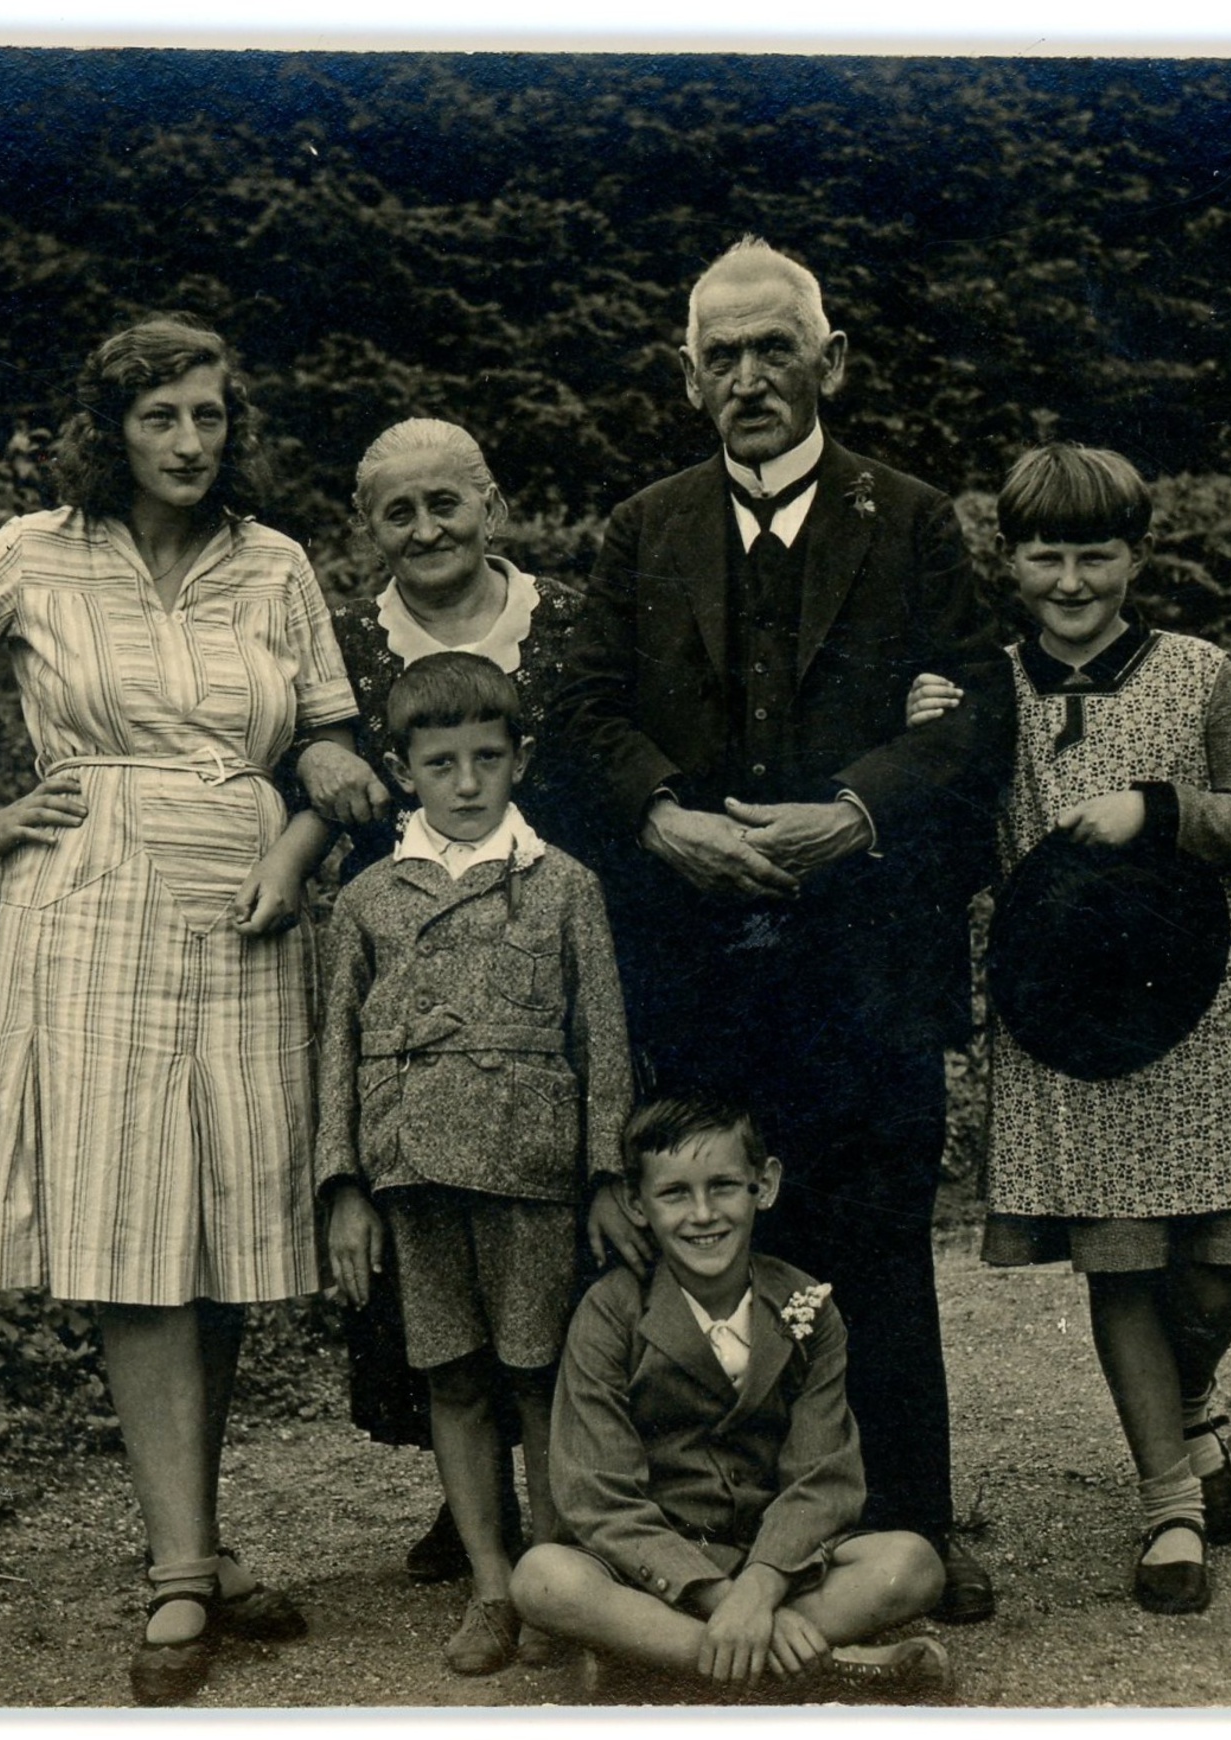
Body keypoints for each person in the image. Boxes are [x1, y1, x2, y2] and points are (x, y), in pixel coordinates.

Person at [0, 313, 354, 1704]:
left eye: (210, 415)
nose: (190, 442)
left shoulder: (277, 564)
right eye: (160, 417)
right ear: (111, 429)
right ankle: (180, 1569)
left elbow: (329, 739)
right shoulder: (33, 552)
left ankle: (199, 1544)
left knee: (226, 1227)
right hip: (92, 905)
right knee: (132, 1226)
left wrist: (300, 854)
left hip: (248, 909)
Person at [553, 236, 1003, 1624]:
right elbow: (581, 718)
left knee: (876, 1248)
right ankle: (726, 1536)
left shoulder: (911, 522)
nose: (748, 378)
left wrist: (857, 814)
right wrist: (663, 822)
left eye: (774, 350)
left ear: (830, 364)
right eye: (722, 357)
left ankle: (911, 1523)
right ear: (689, 379)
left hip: (864, 971)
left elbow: (978, 718)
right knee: (715, 1249)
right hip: (697, 973)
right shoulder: (644, 530)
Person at [903, 442, 1231, 1615]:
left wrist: (1160, 809)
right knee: (1123, 1261)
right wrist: (928, 737)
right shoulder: (987, 689)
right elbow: (944, 851)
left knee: (1211, 1277)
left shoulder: (1198, 674)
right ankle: (1168, 1503)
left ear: (1136, 557)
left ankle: (1193, 1404)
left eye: (1096, 555)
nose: (1072, 582)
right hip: (1066, 1026)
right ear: (1011, 561)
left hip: (1205, 1013)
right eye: (1046, 556)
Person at [295, 418, 602, 1586]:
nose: (427, 530)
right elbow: (296, 740)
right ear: (368, 528)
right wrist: (313, 764)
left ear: (491, 505)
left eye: (447, 503)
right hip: (414, 949)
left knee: (546, 1285)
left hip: (544, 941)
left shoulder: (569, 620)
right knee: (438, 1294)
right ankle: (474, 1512)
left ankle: (576, 1512)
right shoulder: (341, 640)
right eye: (398, 512)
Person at [315, 652, 634, 1675]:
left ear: (518, 760)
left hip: (531, 1169)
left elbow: (603, 1042)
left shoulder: (564, 884)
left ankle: (555, 1581)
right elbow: (336, 1050)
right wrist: (345, 1186)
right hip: (412, 1171)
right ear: (402, 771)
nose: (465, 783)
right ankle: (492, 1587)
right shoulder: (369, 897)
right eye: (441, 764)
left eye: (486, 759)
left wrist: (605, 1176)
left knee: (539, 1378)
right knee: (452, 1377)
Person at [511, 1096, 952, 1702]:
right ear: (637, 1204)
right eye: (674, 1194)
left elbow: (823, 1477)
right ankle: (815, 1663)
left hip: (770, 1557)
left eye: (722, 1186)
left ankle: (659, 1661)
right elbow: (599, 1495)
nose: (702, 1214)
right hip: (651, 1566)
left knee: (913, 1564)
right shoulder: (611, 1312)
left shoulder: (806, 1305)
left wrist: (760, 1587)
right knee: (542, 1579)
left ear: (762, 1185)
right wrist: (726, 1599)